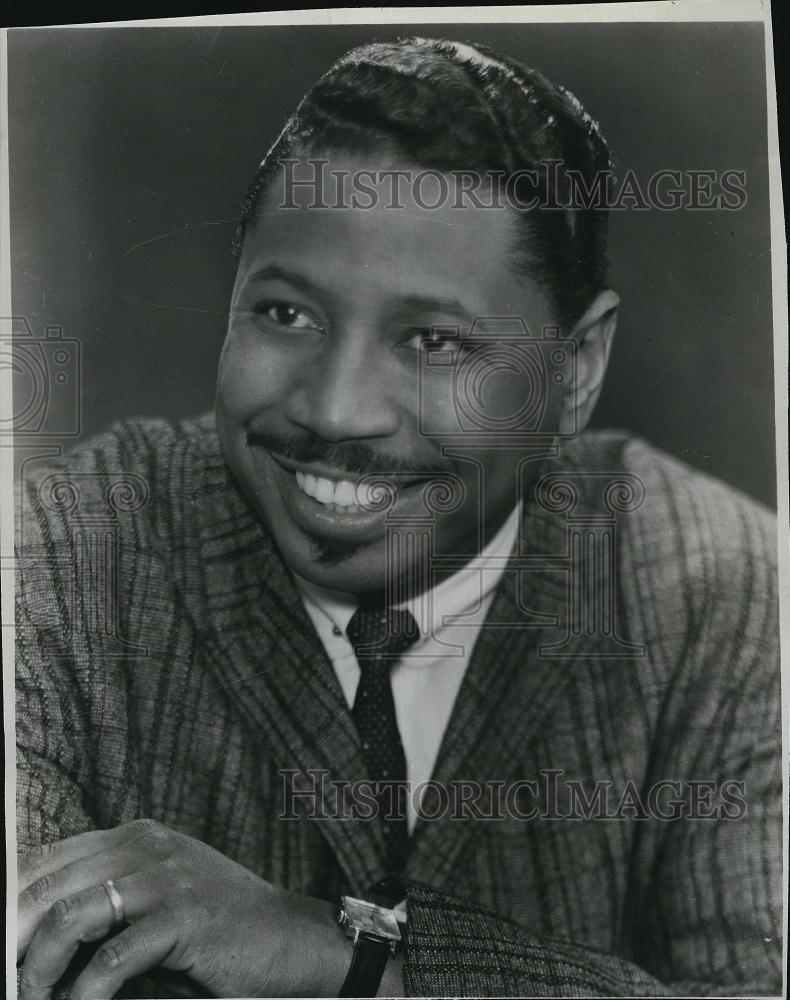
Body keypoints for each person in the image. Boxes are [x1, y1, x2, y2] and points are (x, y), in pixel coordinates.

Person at [15, 37, 781, 999]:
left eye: (433, 340)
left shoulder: (724, 596)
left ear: (575, 368)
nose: (335, 413)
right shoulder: (59, 552)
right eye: (287, 314)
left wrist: (345, 958)